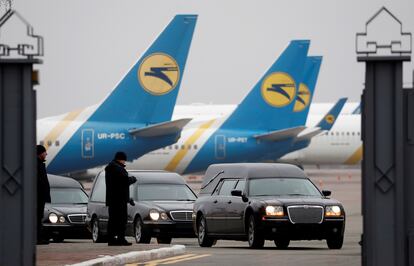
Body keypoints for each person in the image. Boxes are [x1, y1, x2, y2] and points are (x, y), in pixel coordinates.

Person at [105, 151, 137, 246]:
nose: (124, 162)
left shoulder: (111, 167)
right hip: (119, 200)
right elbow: (124, 181)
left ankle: (112, 239)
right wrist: (132, 179)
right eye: (124, 160)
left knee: (113, 220)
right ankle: (120, 239)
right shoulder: (117, 168)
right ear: (121, 159)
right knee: (121, 221)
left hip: (113, 199)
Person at [37, 145, 51, 245]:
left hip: (40, 196)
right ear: (40, 153)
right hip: (38, 197)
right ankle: (37, 238)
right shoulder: (37, 165)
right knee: (37, 217)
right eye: (44, 152)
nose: (46, 154)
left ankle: (39, 238)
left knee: (38, 217)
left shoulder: (40, 164)